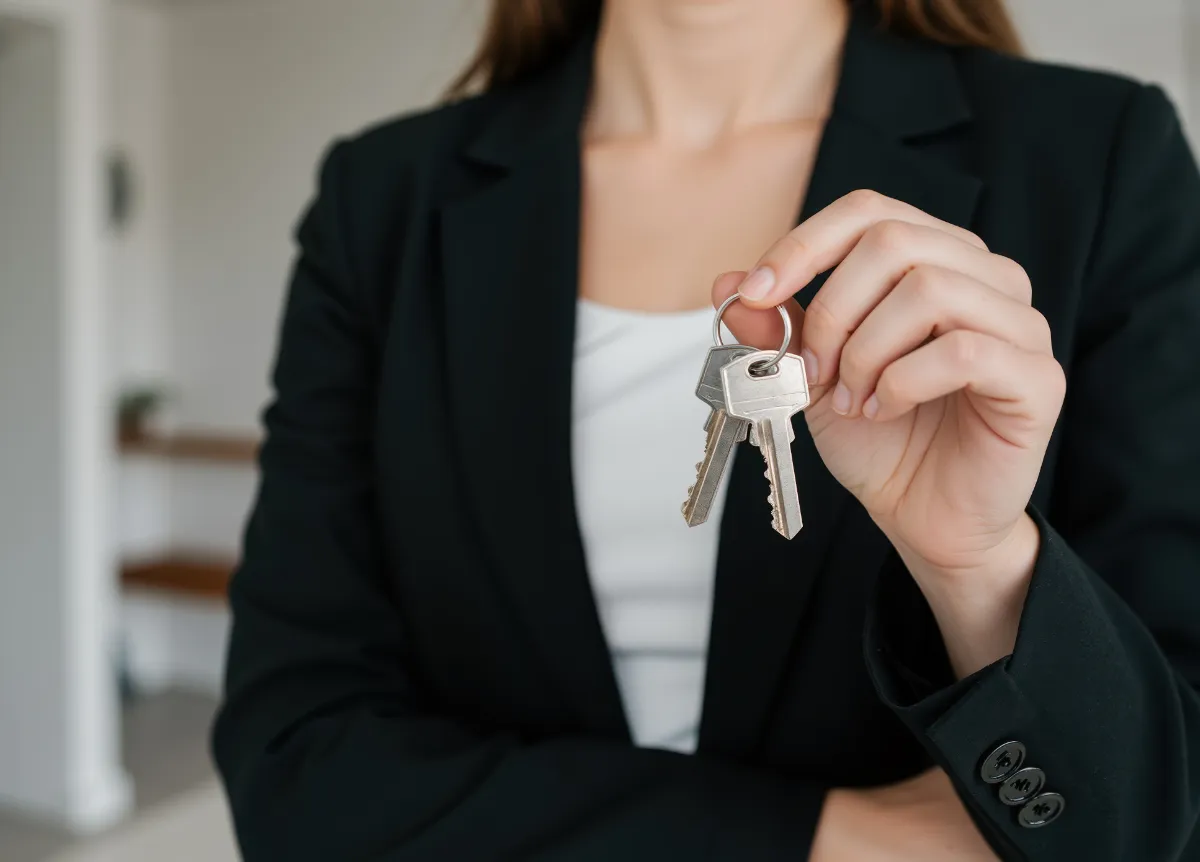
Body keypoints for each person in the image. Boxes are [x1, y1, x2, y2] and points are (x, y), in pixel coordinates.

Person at [211, 0, 1200, 859]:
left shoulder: (1100, 152)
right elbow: (292, 761)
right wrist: (822, 839)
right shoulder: (379, 198)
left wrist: (979, 565)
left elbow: (1161, 811)